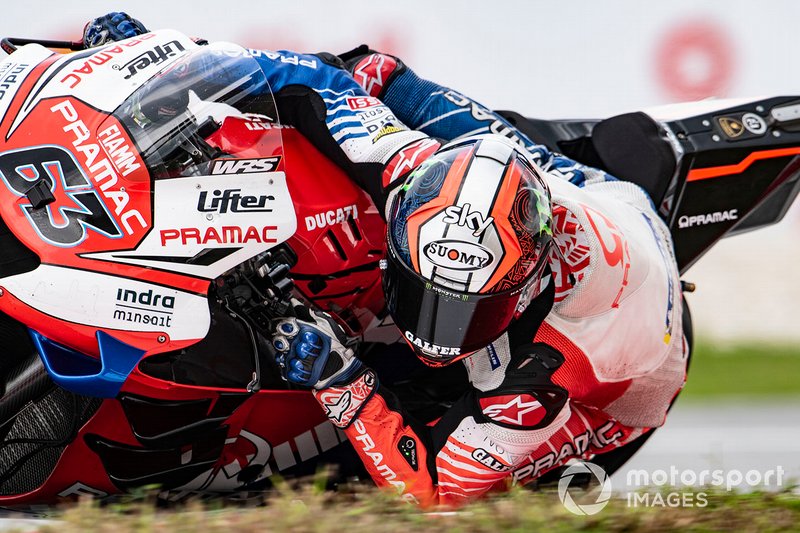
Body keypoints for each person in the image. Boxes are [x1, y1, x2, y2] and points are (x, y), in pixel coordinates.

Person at [84, 14, 689, 507]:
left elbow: (436, 497)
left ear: (523, 288)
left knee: (358, 482)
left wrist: (342, 381)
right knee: (373, 72)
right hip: (580, 189)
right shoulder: (416, 170)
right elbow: (297, 76)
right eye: (426, 298)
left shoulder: (546, 373)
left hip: (616, 385)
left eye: (461, 312)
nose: (435, 332)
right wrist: (157, 67)